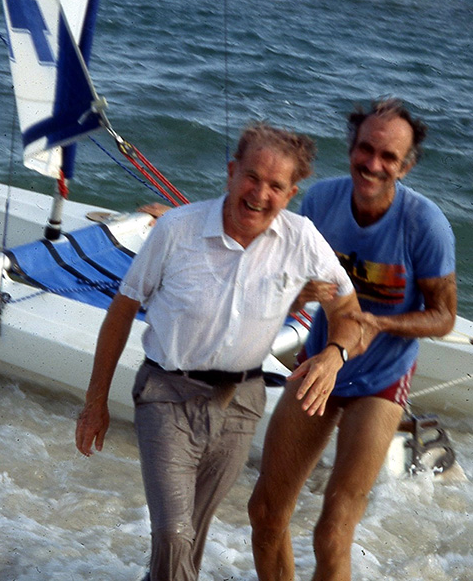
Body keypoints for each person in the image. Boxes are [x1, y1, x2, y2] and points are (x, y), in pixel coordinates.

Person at [75, 122, 366, 581]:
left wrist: (334, 355)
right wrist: (95, 403)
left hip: (240, 403)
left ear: (290, 193)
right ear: (231, 172)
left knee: (190, 537)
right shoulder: (176, 229)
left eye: (275, 185)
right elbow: (121, 311)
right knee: (173, 535)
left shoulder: (302, 240)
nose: (260, 193)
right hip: (166, 395)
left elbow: (349, 312)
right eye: (252, 177)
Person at [248, 99, 457, 581]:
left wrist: (379, 323)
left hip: (381, 379)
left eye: (389, 157)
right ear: (351, 148)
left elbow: (444, 315)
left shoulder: (425, 225)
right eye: (366, 149)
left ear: (407, 165)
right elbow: (277, 271)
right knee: (265, 512)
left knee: (333, 531)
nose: (374, 164)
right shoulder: (320, 202)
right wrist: (300, 290)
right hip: (322, 363)